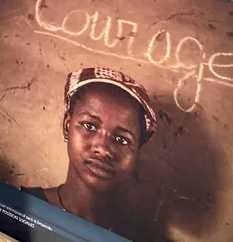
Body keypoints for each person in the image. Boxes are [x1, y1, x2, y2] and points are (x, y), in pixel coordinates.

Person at [22, 68, 158, 238]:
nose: (102, 148)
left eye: (122, 139)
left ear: (138, 151)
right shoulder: (17, 206)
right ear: (67, 126)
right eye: (89, 126)